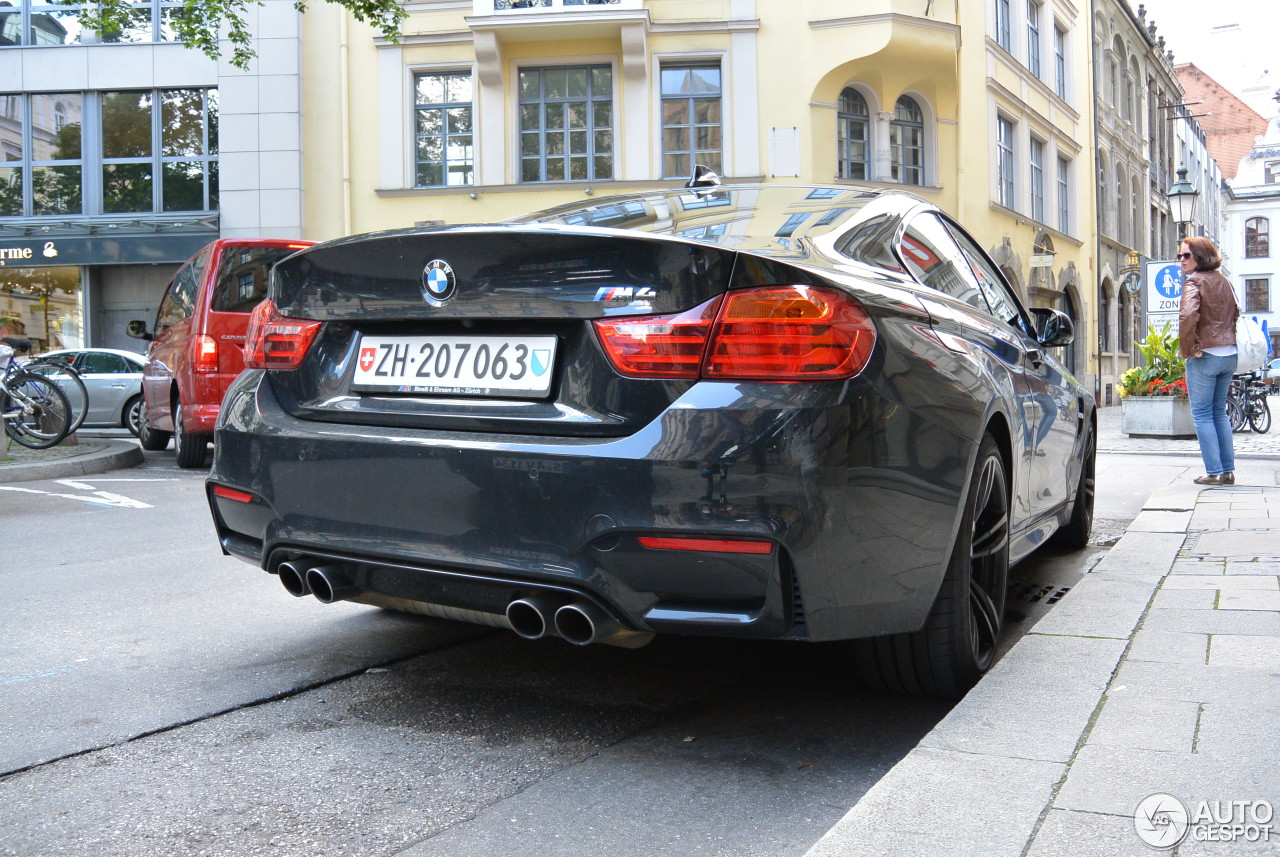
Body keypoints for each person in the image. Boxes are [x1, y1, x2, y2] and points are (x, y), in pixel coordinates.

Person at [1177, 236, 1238, 485]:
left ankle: (1213, 472)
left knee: (1202, 414)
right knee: (1218, 413)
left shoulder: (1194, 282)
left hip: (1206, 355)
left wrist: (1188, 349)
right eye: (1179, 255)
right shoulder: (1225, 282)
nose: (1181, 260)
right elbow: (1236, 312)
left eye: (1186, 255)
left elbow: (1188, 315)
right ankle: (1228, 471)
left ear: (1200, 256)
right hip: (1229, 354)